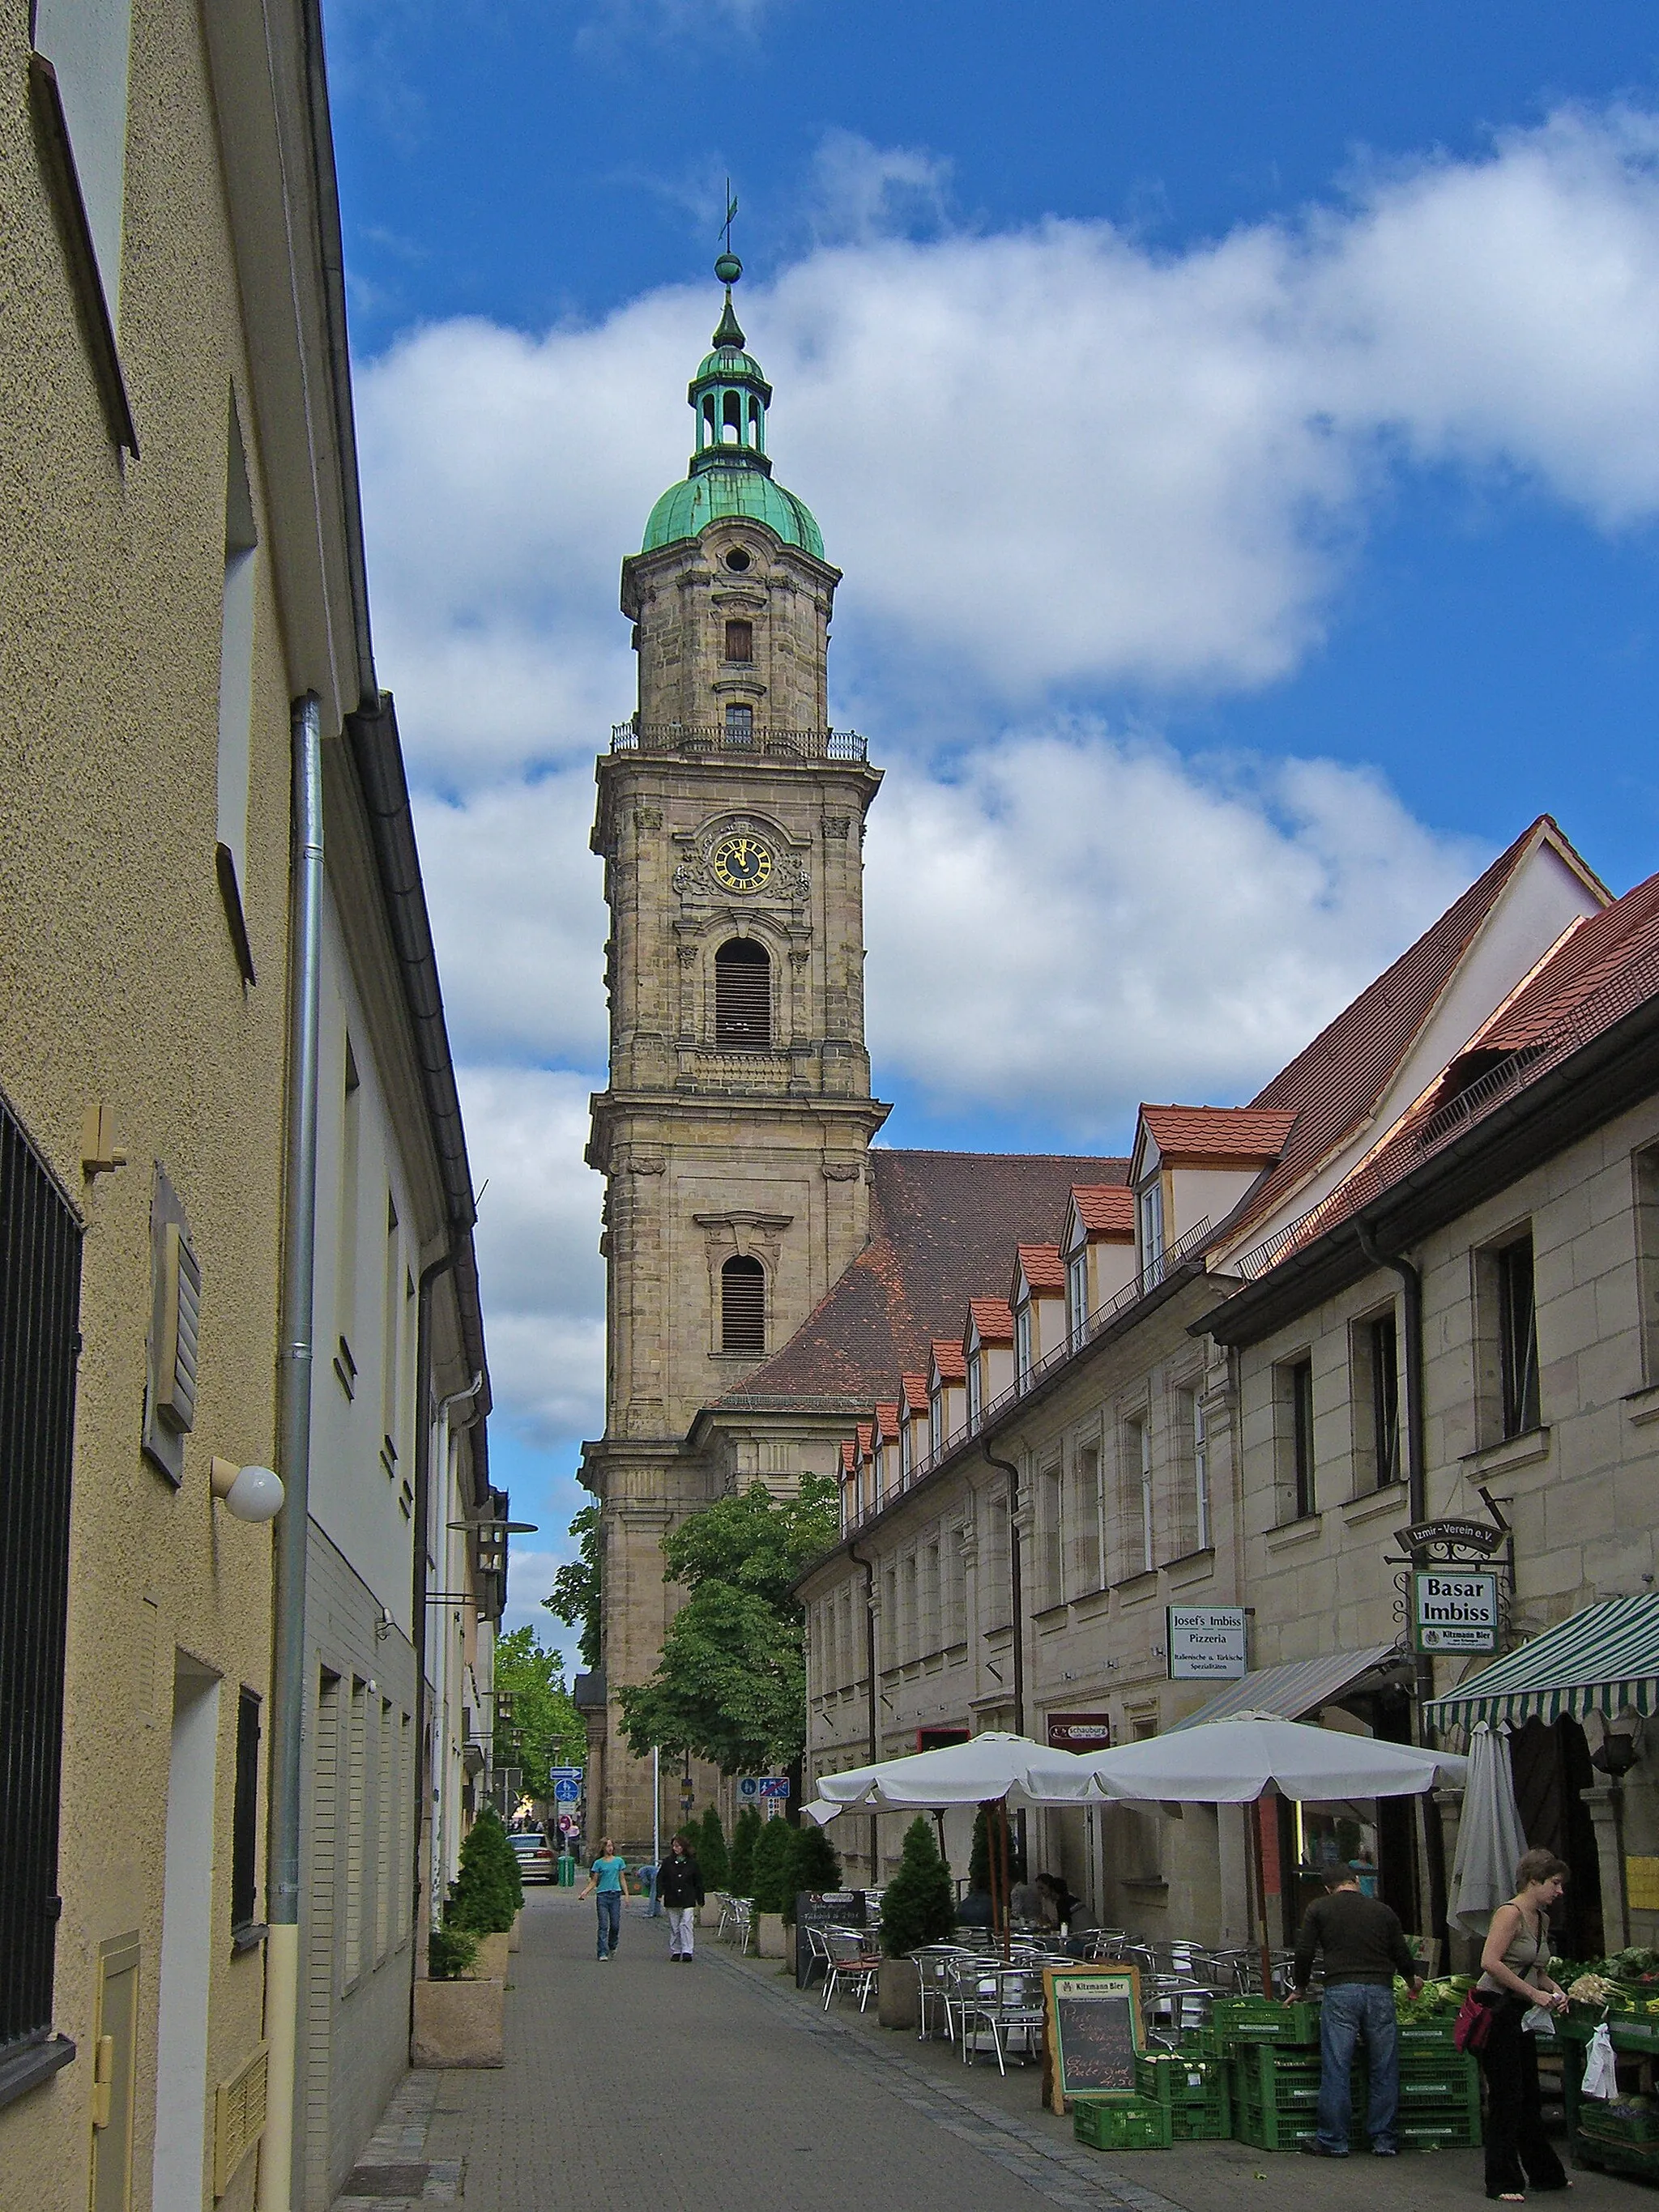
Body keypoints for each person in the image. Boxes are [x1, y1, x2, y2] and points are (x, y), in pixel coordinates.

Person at [1289, 1864, 1422, 2157]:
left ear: (1327, 1887)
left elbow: (1305, 1951)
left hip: (1341, 1991)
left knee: (1337, 2066)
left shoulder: (1319, 1909)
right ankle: (1383, 2140)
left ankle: (1334, 2140)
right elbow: (1401, 1952)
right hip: (1380, 1991)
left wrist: (1299, 1987)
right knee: (1384, 2067)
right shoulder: (1383, 1911)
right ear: (1356, 1881)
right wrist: (1412, 1981)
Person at [1474, 1848, 1572, 2202]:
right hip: (1497, 2010)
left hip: (1521, 2012)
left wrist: (1557, 1991)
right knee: (1507, 2094)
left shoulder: (1541, 1920)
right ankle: (1501, 2180)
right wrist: (1533, 1993)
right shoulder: (1509, 1913)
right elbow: (1490, 1962)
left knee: (1529, 2093)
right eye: (1555, 1884)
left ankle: (1545, 2173)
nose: (1559, 1892)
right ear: (1533, 1882)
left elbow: (1538, 1968)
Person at [656, 1832, 706, 1962]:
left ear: (684, 1847)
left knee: (686, 1924)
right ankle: (676, 1950)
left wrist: (700, 1898)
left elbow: (698, 1881)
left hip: (688, 1897)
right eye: (674, 1846)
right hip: (672, 1897)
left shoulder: (692, 1863)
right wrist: (659, 1893)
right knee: (675, 1925)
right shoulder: (668, 1862)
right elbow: (661, 1878)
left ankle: (688, 1950)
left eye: (678, 1846)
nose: (675, 1848)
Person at [579, 1837, 630, 1960]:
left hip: (615, 1895)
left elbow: (622, 1879)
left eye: (611, 1846)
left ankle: (612, 1945)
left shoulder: (619, 1861)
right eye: (608, 1846)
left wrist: (627, 1895)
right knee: (603, 1925)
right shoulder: (598, 1863)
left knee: (615, 1925)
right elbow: (594, 1881)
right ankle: (602, 1952)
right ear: (603, 1848)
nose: (610, 1848)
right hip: (603, 1895)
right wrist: (585, 1892)